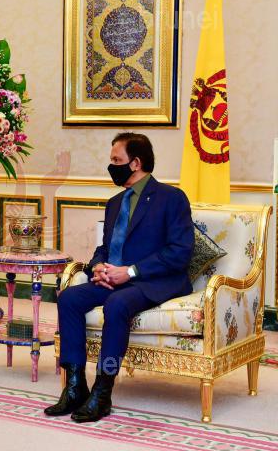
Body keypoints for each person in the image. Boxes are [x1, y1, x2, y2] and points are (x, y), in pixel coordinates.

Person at [44, 132, 194, 423]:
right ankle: (75, 387)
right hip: (114, 278)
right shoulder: (115, 202)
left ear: (135, 163)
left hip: (154, 280)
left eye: (116, 160)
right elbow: (104, 247)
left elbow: (179, 252)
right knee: (70, 298)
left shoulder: (171, 198)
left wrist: (131, 271)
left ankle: (102, 391)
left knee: (117, 304)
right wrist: (98, 266)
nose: (111, 166)